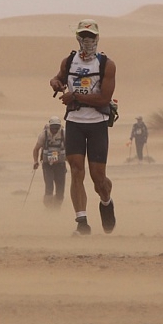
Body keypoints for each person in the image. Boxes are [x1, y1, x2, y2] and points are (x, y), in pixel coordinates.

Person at [49, 19, 116, 235]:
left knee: (98, 178)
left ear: (97, 38)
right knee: (76, 171)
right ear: (78, 37)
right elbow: (59, 78)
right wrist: (55, 82)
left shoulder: (106, 65)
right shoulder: (69, 61)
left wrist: (75, 96)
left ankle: (106, 201)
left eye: (91, 36)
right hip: (75, 123)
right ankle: (82, 222)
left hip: (97, 124)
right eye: (83, 36)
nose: (87, 40)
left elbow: (104, 98)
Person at [32, 116, 67, 208]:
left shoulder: (64, 134)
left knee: (60, 189)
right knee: (49, 187)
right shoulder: (44, 135)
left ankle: (57, 207)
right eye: (53, 127)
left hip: (60, 165)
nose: (54, 130)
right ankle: (48, 207)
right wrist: (35, 161)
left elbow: (71, 148)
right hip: (47, 165)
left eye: (57, 127)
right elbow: (36, 149)